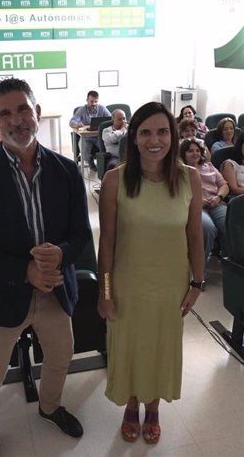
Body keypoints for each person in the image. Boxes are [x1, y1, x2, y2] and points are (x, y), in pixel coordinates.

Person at [0, 78, 91, 457]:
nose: (17, 120)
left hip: (55, 291)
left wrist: (62, 253)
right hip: (1, 296)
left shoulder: (66, 170)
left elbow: (81, 233)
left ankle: (50, 408)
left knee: (61, 359)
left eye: (23, 109)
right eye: (5, 113)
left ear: (38, 112)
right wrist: (23, 271)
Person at [97, 102, 204, 445]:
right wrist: (106, 291)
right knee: (129, 346)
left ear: (173, 135)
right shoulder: (115, 180)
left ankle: (153, 408)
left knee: (160, 346)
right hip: (127, 285)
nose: (154, 140)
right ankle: (131, 405)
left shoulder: (191, 178)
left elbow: (195, 236)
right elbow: (108, 243)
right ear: (134, 137)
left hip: (169, 285)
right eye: (145, 132)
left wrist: (197, 283)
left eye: (162, 131)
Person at [180, 138, 228, 263]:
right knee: (208, 229)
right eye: (190, 151)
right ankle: (200, 264)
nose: (195, 153)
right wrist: (197, 201)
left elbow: (224, 185)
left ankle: (228, 261)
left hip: (216, 203)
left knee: (228, 224)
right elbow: (179, 192)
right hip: (195, 206)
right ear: (183, 154)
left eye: (197, 150)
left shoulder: (210, 166)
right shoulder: (180, 171)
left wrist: (218, 197)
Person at [69, 90, 111, 168]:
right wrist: (77, 124)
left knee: (108, 148)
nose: (94, 104)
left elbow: (111, 119)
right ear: (87, 100)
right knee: (84, 151)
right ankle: (91, 163)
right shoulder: (82, 110)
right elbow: (72, 121)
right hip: (86, 137)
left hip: (99, 136)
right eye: (91, 101)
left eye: (96, 101)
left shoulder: (102, 108)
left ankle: (103, 166)